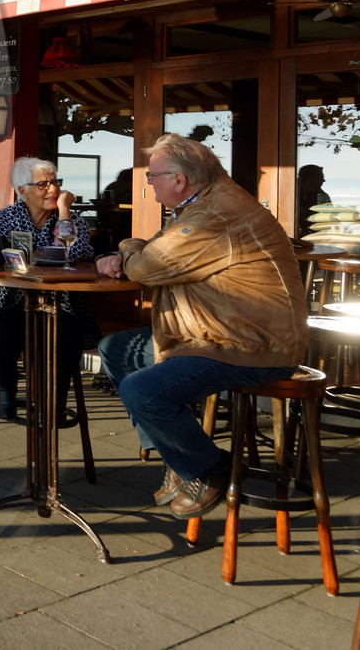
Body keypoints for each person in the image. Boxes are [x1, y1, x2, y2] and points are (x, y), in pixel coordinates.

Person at [97, 134, 307, 519]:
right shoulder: (201, 205)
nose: (148, 184)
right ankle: (178, 459)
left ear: (178, 180)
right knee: (116, 349)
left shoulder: (216, 214)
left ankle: (211, 469)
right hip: (215, 332)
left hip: (251, 343)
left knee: (142, 391)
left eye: (152, 176)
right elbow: (158, 251)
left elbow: (146, 266)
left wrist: (126, 248)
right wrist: (129, 250)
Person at [0, 157, 96, 421]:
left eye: (56, 182)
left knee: (65, 339)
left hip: (61, 301)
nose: (53, 189)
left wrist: (64, 212)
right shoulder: (6, 217)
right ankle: (6, 387)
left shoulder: (72, 218)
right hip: (11, 299)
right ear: (23, 191)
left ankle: (54, 400)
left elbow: (75, 251)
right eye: (43, 184)